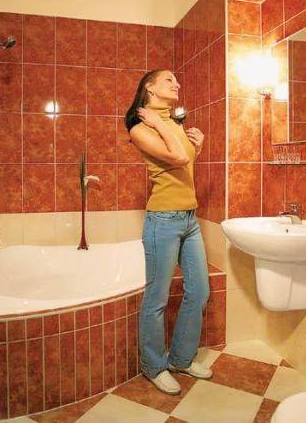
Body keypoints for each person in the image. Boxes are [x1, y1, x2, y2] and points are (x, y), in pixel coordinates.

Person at [124, 69, 211, 395]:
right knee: (157, 298)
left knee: (199, 291)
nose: (177, 84)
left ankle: (181, 359)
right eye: (169, 80)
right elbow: (176, 157)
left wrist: (198, 149)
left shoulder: (173, 124)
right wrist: (161, 125)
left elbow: (183, 165)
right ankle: (153, 365)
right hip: (163, 219)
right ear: (149, 87)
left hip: (189, 218)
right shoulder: (140, 128)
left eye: (177, 80)